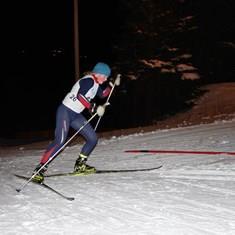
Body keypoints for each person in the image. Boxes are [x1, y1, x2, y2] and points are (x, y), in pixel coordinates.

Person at [32, 62, 113, 183]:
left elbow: (102, 94)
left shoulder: (96, 84)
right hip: (65, 112)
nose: (106, 79)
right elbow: (81, 96)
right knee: (60, 141)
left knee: (92, 138)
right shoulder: (89, 80)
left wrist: (111, 86)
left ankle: (80, 165)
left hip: (76, 115)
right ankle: (39, 169)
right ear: (98, 73)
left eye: (107, 77)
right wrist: (93, 108)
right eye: (105, 76)